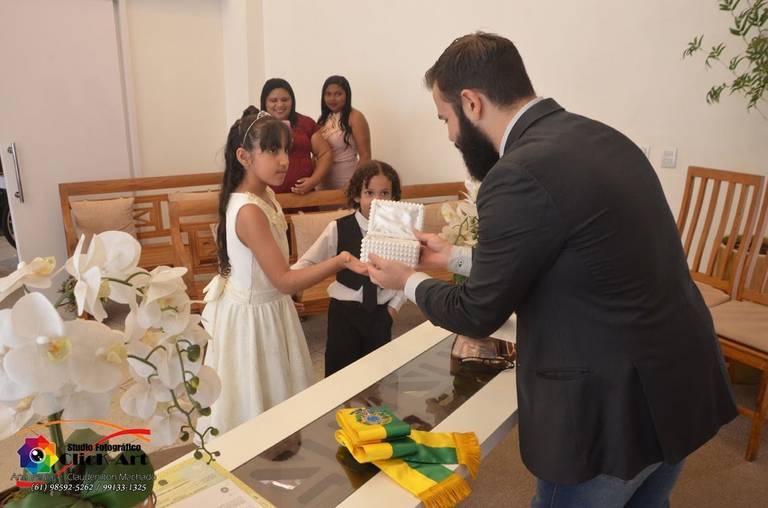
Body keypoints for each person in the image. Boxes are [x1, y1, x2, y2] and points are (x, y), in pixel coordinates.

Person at [367, 32, 738, 507]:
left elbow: (477, 312)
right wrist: (452, 256)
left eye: (445, 119)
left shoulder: (517, 172)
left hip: (611, 412)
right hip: (679, 382)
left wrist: (408, 281)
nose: (451, 136)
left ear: (471, 103)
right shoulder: (602, 137)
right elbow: (575, 256)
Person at [201, 109, 366, 434]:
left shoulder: (265, 195)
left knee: (279, 392)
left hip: (270, 305)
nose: (284, 161)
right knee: (255, 400)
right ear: (244, 156)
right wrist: (340, 260)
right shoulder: (248, 210)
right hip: (253, 318)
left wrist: (283, 299)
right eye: (272, 150)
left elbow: (270, 272)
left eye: (286, 150)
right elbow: (284, 279)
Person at [292, 160, 405, 376]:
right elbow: (307, 262)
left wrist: (392, 309)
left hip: (381, 313)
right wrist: (285, 284)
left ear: (393, 197)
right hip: (343, 314)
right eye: (369, 193)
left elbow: (405, 273)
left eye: (385, 193)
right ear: (357, 196)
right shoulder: (338, 228)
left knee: (379, 376)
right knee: (340, 374)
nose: (377, 200)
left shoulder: (399, 233)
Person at [260, 78, 332, 195]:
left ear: (292, 100)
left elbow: (325, 153)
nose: (280, 105)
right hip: (268, 197)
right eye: (273, 100)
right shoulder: (257, 127)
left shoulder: (306, 123)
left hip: (305, 197)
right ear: (265, 102)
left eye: (285, 100)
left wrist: (314, 180)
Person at [316, 75, 371, 190]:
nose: (332, 99)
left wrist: (351, 185)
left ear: (347, 95)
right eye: (328, 94)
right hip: (323, 184)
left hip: (347, 182)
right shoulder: (322, 120)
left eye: (338, 94)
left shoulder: (355, 117)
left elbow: (365, 156)